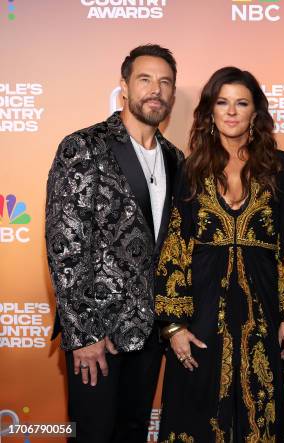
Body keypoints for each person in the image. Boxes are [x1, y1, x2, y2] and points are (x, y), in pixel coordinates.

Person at [154, 66, 284, 442]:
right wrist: (174, 325)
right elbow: (175, 246)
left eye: (242, 103)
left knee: (259, 412)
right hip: (202, 315)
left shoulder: (280, 166)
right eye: (223, 102)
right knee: (198, 413)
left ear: (256, 112)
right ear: (210, 111)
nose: (232, 111)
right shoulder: (190, 169)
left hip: (262, 312)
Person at [45, 44, 183, 442]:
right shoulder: (84, 146)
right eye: (145, 80)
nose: (155, 90)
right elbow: (64, 245)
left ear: (172, 95)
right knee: (92, 435)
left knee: (132, 433)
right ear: (124, 87)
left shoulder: (177, 160)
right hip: (97, 337)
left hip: (149, 334)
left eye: (164, 82)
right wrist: (85, 335)